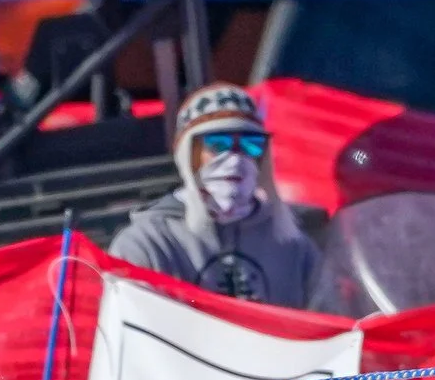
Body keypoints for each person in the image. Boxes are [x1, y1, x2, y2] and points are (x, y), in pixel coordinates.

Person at [110, 83, 318, 308]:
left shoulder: (294, 247)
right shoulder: (148, 244)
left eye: (251, 145)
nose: (236, 159)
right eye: (218, 144)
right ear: (189, 155)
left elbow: (331, 318)